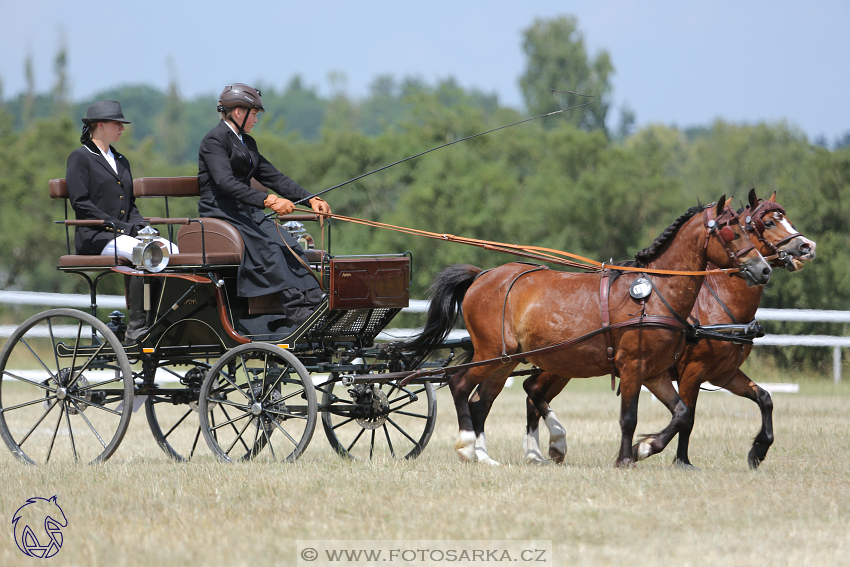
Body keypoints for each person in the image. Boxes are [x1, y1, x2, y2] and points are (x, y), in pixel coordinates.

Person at [198, 83, 331, 335]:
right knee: (269, 249)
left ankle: (315, 303)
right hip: (221, 213)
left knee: (290, 245)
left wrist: (310, 199)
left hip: (247, 212)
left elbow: (273, 177)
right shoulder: (214, 140)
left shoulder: (246, 142)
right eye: (254, 113)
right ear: (238, 112)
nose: (256, 119)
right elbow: (225, 183)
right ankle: (296, 310)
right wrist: (268, 201)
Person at [66, 100, 178, 342]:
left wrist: (143, 227)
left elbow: (130, 206)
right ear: (100, 125)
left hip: (123, 234)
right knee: (142, 250)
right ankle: (136, 328)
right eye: (117, 124)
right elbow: (81, 203)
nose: (122, 128)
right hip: (96, 236)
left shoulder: (121, 160)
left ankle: (160, 320)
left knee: (171, 251)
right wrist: (118, 226)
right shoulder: (80, 157)